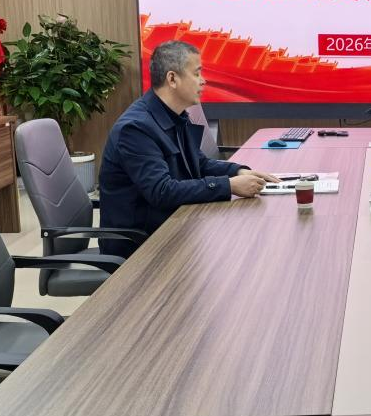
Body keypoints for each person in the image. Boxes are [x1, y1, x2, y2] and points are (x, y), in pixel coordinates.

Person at [98, 40, 278, 256]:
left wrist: (237, 171)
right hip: (141, 246)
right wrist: (228, 185)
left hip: (174, 228)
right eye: (196, 73)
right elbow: (161, 191)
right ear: (172, 79)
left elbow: (198, 163)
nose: (203, 81)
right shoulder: (136, 128)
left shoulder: (175, 116)